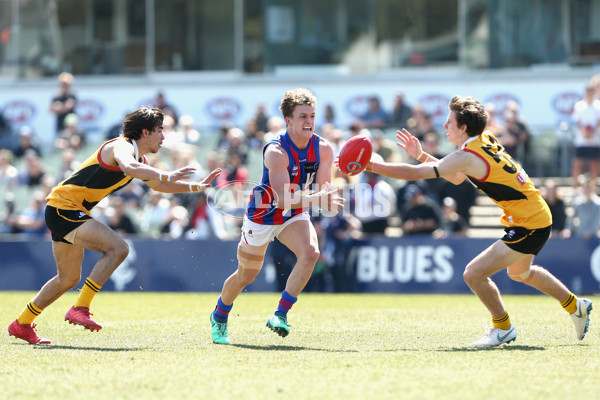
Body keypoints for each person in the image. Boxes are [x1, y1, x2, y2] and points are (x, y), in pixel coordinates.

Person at [363, 95, 593, 346]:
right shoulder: (483, 139)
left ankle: (502, 327)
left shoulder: (466, 155)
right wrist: (421, 154)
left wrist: (370, 164)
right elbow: (457, 177)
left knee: (473, 274)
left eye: (449, 121)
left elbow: (414, 174)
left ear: (463, 127)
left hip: (529, 222)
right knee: (520, 272)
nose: (444, 126)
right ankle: (575, 305)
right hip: (533, 215)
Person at [7, 106, 221, 345]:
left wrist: (198, 186)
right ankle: (81, 308)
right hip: (64, 209)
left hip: (63, 209)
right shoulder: (123, 146)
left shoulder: (140, 159)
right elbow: (131, 168)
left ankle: (22, 323)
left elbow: (159, 186)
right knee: (118, 249)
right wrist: (165, 174)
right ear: (145, 132)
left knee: (67, 279)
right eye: (159, 131)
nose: (163, 137)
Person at [209, 88, 344, 344]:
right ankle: (219, 315)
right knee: (246, 276)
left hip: (294, 212)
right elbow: (281, 199)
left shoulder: (324, 149)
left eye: (312, 116)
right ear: (288, 120)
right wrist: (317, 199)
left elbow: (324, 195)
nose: (309, 121)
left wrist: (330, 202)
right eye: (303, 116)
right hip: (263, 214)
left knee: (311, 253)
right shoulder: (276, 151)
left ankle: (280, 314)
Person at [571, 83, 600, 189]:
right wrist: (584, 132)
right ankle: (575, 186)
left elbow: (598, 121)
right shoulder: (579, 106)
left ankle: (592, 187)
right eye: (588, 92)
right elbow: (577, 121)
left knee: (594, 163)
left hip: (594, 140)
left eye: (591, 92)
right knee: (577, 162)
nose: (590, 94)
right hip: (581, 140)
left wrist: (591, 132)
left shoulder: (598, 105)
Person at [49, 72, 77, 136]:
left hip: (71, 126)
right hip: (59, 125)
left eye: (66, 84)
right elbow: (51, 109)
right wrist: (63, 107)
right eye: (62, 84)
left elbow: (69, 107)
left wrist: (59, 107)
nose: (64, 86)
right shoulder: (56, 96)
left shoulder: (72, 95)